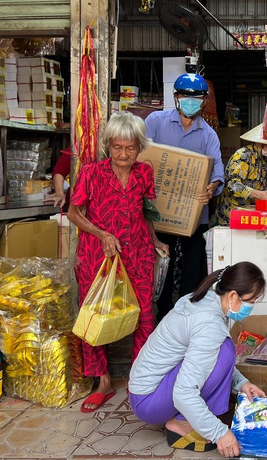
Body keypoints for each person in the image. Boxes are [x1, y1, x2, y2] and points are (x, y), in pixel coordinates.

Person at [67, 111, 170, 413]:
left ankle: (142, 377)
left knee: (145, 315)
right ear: (107, 146)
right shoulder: (91, 173)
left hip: (138, 252)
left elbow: (147, 213)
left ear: (139, 147)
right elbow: (74, 213)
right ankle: (103, 382)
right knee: (94, 317)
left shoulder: (144, 173)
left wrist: (155, 241)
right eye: (117, 147)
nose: (123, 154)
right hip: (98, 255)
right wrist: (101, 233)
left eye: (130, 148)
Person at [128, 262, 267, 457]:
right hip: (148, 402)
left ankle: (189, 416)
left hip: (146, 390)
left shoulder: (208, 301)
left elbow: (204, 359)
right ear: (233, 296)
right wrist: (219, 433)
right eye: (251, 301)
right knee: (225, 350)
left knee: (222, 350)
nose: (251, 307)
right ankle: (181, 422)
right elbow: (183, 392)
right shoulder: (208, 323)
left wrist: (242, 384)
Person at [145, 73, 225, 322]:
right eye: (186, 97)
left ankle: (188, 316)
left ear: (203, 102)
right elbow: (143, 158)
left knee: (192, 267)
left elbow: (218, 173)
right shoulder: (155, 122)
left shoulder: (209, 134)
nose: (191, 102)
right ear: (176, 98)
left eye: (197, 98)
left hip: (194, 214)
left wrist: (211, 188)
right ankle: (163, 316)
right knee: (164, 267)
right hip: (160, 214)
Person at [214, 123, 267, 225]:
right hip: (231, 217)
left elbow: (262, 185)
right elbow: (232, 185)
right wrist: (260, 194)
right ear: (265, 143)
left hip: (248, 216)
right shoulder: (244, 155)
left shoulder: (262, 160)